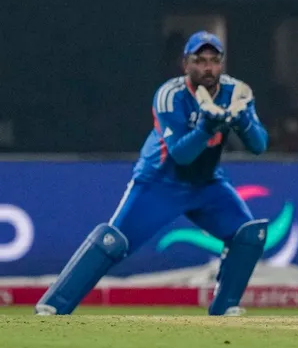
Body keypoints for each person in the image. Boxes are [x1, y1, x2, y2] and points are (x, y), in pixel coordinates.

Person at [36, 32, 270, 316]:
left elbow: (259, 146)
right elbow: (181, 155)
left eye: (213, 60)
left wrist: (244, 122)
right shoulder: (170, 96)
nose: (207, 67)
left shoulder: (237, 92)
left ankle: (225, 310)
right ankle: (53, 306)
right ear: (186, 64)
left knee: (249, 235)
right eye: (199, 60)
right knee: (113, 243)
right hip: (160, 183)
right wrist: (206, 127)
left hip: (206, 183)